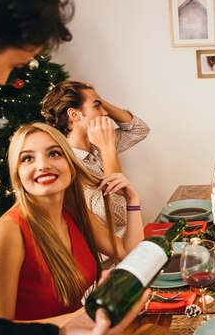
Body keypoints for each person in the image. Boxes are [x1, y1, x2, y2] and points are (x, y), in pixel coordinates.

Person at [0, 0, 147, 335]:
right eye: (13, 66)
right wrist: (71, 328)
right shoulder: (8, 233)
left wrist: (74, 329)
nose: (4, 81)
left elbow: (122, 252)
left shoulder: (72, 209)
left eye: (53, 155)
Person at [0, 122, 144, 335]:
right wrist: (84, 315)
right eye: (27, 158)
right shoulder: (7, 233)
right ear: (17, 174)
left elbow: (129, 253)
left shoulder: (74, 213)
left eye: (54, 153)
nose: (42, 165)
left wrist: (132, 201)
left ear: (70, 164)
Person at [41, 81, 150, 239]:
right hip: (111, 261)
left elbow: (139, 129)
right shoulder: (70, 165)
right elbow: (117, 216)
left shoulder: (96, 147)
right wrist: (108, 149)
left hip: (134, 245)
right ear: (74, 115)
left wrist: (98, 99)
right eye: (97, 106)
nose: (105, 113)